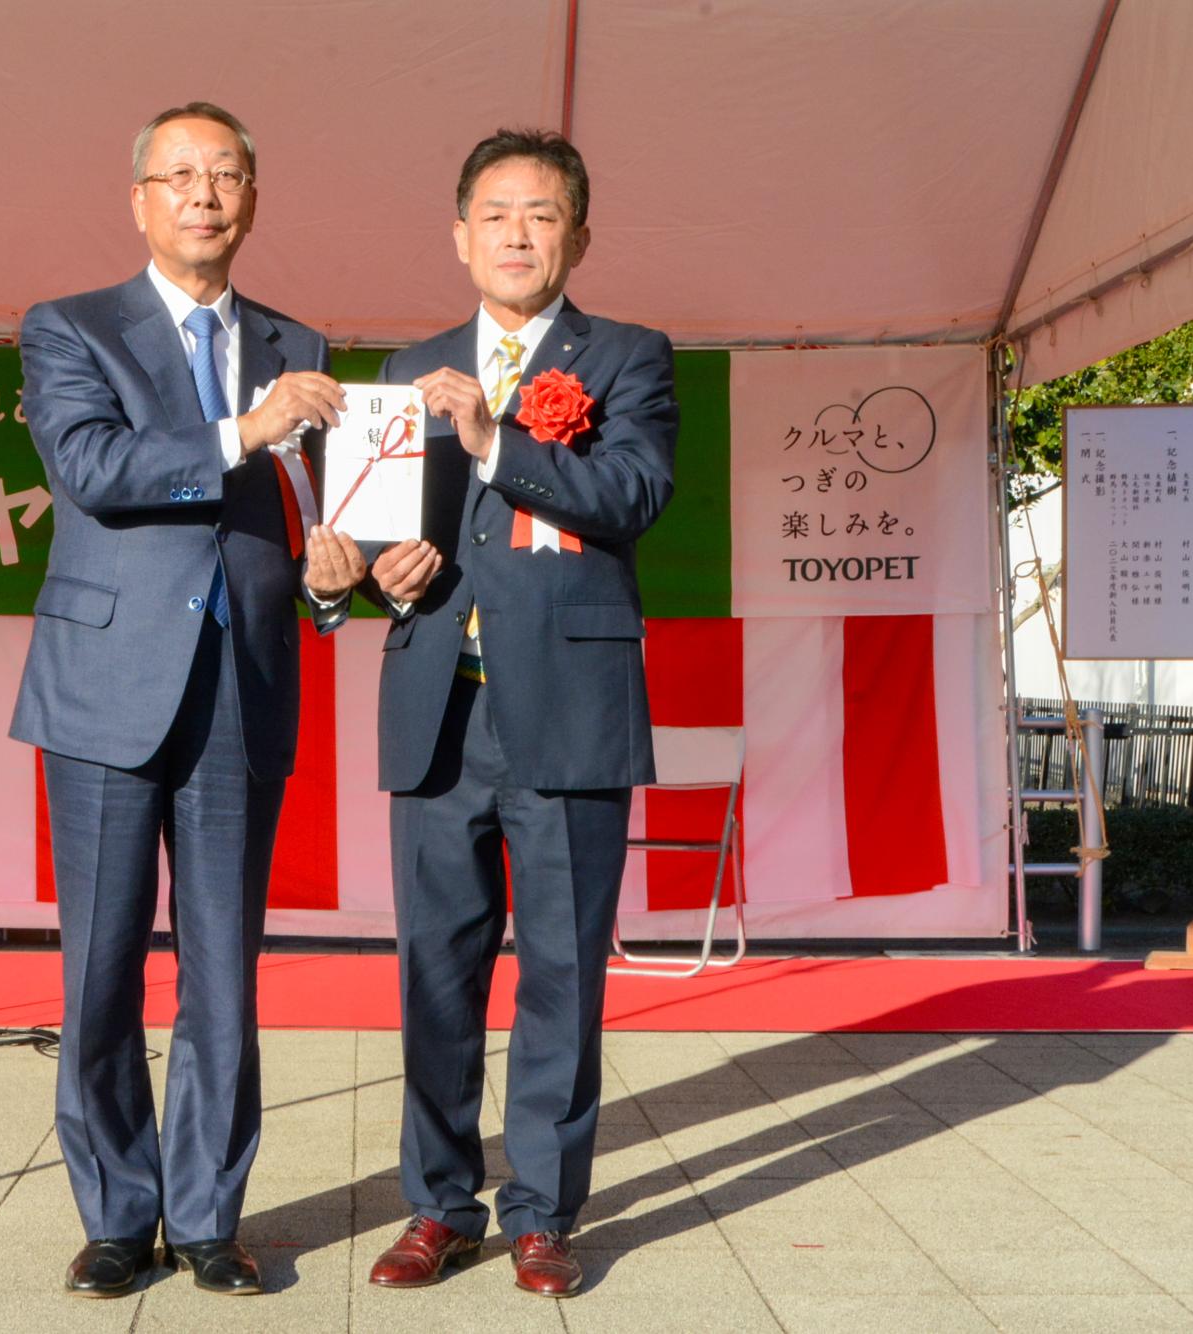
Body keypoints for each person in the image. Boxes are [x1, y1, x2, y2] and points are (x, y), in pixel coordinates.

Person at [12, 100, 363, 1299]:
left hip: (240, 685)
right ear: (139, 200)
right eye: (179, 175)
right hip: (105, 688)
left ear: (252, 198)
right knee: (100, 967)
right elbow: (90, 467)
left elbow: (312, 512)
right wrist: (241, 428)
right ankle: (117, 1216)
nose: (202, 194)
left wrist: (330, 579)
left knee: (224, 968)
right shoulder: (70, 326)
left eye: (223, 175)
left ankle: (210, 1216)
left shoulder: (295, 339)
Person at [360, 128, 677, 1298]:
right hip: (438, 708)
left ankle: (541, 1210)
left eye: (540, 214)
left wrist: (496, 440)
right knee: (433, 973)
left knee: (560, 972)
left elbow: (631, 492)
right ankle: (437, 1204)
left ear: (576, 236)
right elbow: (384, 526)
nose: (514, 233)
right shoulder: (409, 366)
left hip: (570, 708)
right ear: (457, 235)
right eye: (493, 213)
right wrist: (374, 571)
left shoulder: (626, 357)